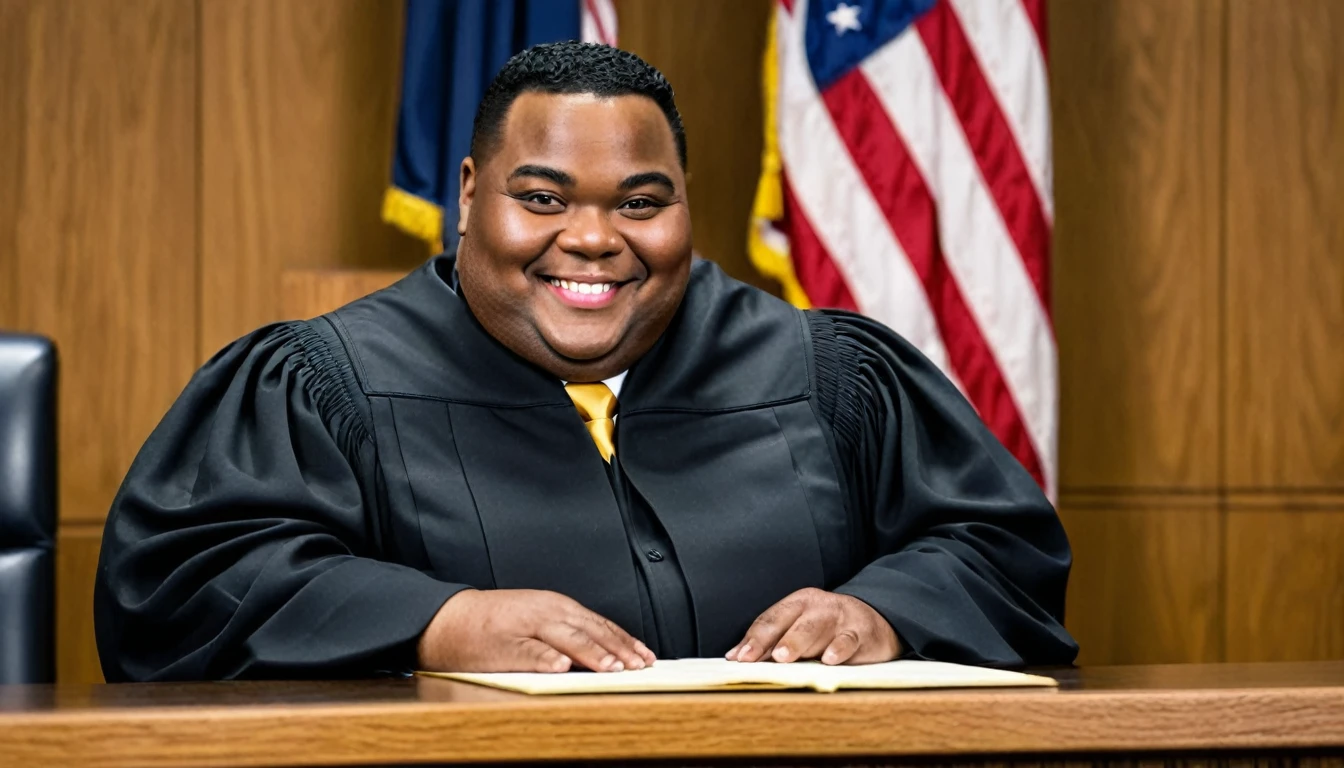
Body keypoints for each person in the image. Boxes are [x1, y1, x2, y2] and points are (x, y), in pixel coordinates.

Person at [94, 42, 1078, 682]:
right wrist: (436, 623)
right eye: (545, 197)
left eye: (642, 203)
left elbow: (1002, 552)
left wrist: (883, 609)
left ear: (686, 203)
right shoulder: (323, 385)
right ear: (472, 193)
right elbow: (181, 590)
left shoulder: (829, 376)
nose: (595, 238)